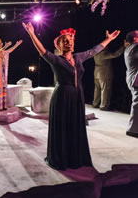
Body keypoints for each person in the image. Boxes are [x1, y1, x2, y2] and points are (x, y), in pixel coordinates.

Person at [22, 22, 120, 170]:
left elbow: (94, 50)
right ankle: (61, 158)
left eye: (71, 40)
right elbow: (42, 51)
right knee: (63, 127)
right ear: (59, 45)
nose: (69, 42)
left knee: (76, 126)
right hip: (62, 96)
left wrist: (109, 39)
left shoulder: (79, 57)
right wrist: (31, 33)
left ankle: (76, 157)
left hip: (77, 96)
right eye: (65, 40)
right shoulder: (56, 59)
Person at [0, 36, 22, 111]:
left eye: (1, 43)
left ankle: (1, 105)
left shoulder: (2, 52)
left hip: (1, 74)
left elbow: (10, 50)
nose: (1, 44)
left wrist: (17, 45)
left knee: (2, 87)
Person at [92, 45, 125, 111]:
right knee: (105, 90)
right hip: (104, 74)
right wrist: (123, 47)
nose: (107, 47)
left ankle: (95, 103)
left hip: (96, 73)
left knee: (97, 89)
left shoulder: (95, 53)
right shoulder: (104, 53)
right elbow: (116, 54)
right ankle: (103, 106)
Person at [124, 30, 138, 138]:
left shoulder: (130, 48)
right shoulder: (133, 48)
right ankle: (132, 130)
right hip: (135, 80)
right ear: (135, 39)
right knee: (136, 104)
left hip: (133, 78)